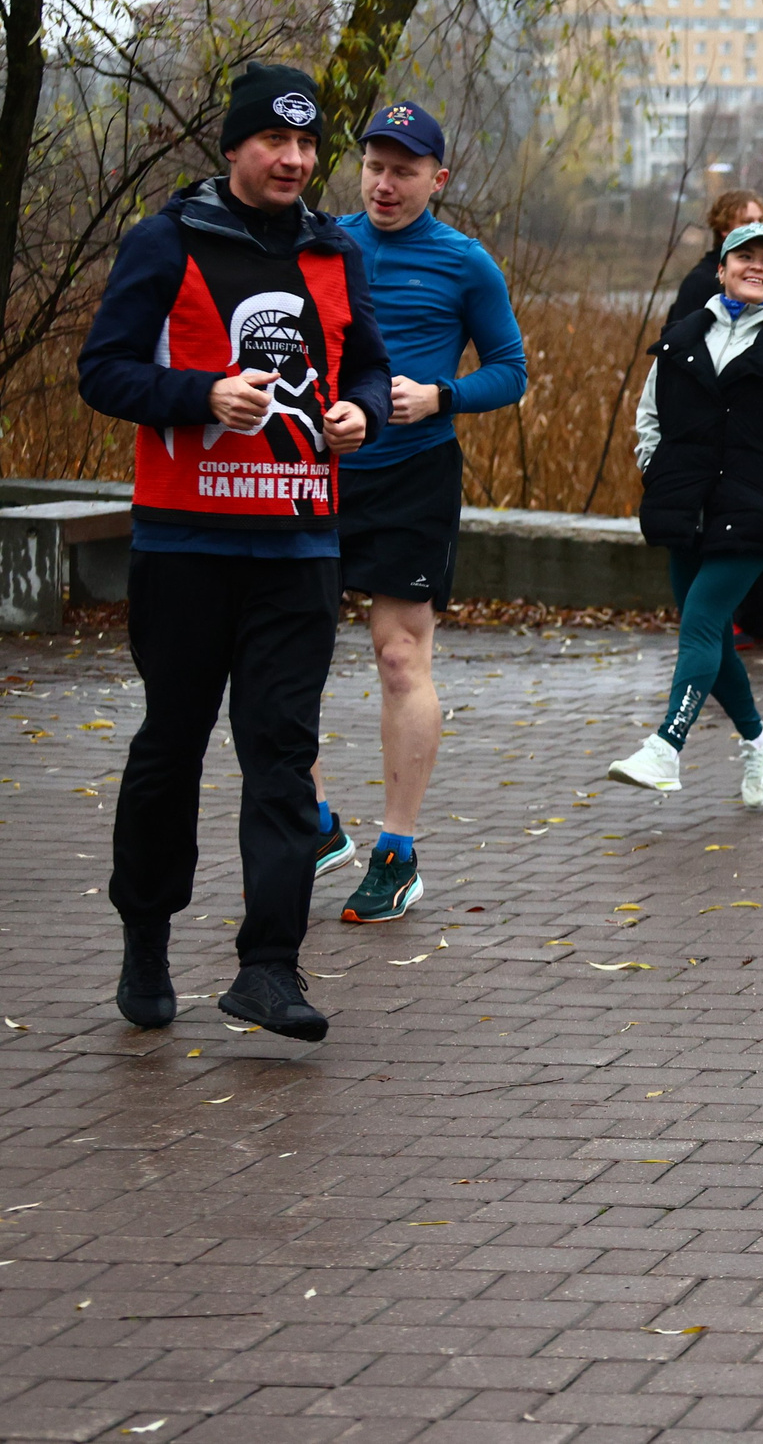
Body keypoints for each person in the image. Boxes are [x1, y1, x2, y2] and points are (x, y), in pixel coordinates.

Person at [76, 61, 391, 1042]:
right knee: (170, 746)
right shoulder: (167, 241)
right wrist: (200, 394)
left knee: (283, 758)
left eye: (307, 146)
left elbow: (372, 375)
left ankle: (268, 968)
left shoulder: (336, 253)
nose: (295, 159)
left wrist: (357, 416)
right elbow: (104, 372)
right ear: (234, 148)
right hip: (186, 546)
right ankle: (146, 930)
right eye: (275, 143)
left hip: (299, 549)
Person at [315, 102, 527, 925]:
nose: (384, 182)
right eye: (374, 164)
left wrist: (441, 394)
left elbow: (509, 370)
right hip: (321, 473)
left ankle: (397, 852)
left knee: (400, 655)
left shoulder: (466, 264)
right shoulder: (324, 245)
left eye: (404, 169)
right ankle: (312, 821)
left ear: (436, 180)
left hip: (414, 476)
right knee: (280, 643)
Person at [609, 222, 763, 804]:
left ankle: (666, 747)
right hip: (686, 504)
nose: (756, 267)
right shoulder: (685, 335)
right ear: (722, 267)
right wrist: (656, 468)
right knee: (705, 633)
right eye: (745, 257)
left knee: (702, 621)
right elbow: (649, 414)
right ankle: (761, 740)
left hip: (755, 511)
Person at [665, 189, 763, 647]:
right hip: (711, 443)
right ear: (724, 230)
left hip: (760, 444)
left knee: (761, 519)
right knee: (722, 537)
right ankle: (733, 620)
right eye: (746, 222)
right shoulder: (702, 282)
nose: (758, 227)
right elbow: (676, 357)